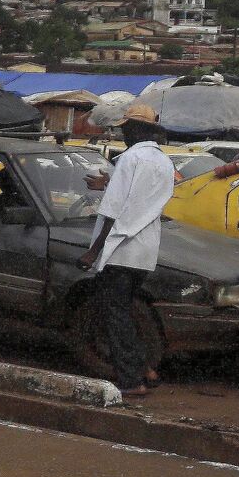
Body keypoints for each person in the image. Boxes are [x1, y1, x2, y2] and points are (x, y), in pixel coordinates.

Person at [78, 104, 174, 397]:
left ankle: (132, 380)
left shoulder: (130, 158)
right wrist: (108, 183)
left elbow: (113, 209)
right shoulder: (163, 161)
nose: (122, 132)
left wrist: (93, 252)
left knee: (115, 316)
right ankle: (145, 368)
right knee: (127, 313)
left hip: (120, 248)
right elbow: (140, 197)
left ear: (136, 129)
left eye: (125, 127)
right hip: (144, 251)